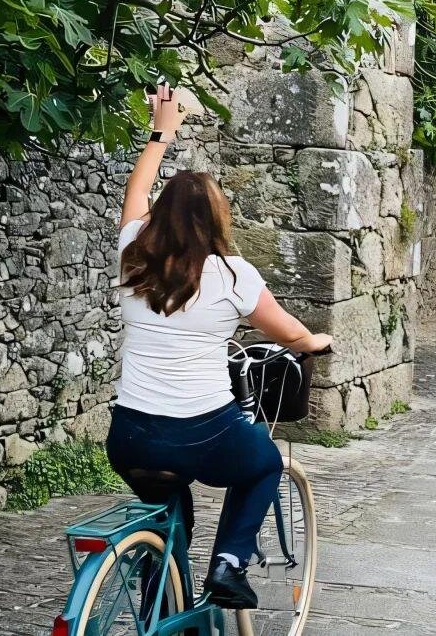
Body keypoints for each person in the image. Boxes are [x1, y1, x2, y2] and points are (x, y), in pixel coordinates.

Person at [106, 85, 333, 608]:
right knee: (263, 464)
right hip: (201, 431)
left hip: (131, 434)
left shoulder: (132, 253)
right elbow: (288, 334)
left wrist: (162, 133)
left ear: (160, 214)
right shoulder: (233, 274)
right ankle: (229, 564)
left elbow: (135, 192)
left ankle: (163, 604)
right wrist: (316, 340)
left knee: (170, 515)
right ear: (217, 220)